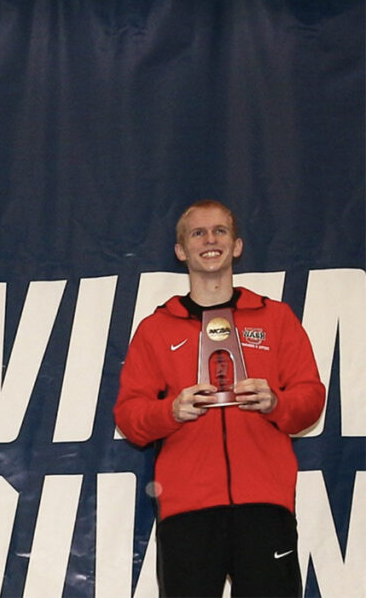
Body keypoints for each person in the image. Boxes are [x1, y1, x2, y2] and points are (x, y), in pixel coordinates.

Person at [114, 200, 325, 597]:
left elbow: (311, 398)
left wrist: (276, 403)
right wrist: (170, 411)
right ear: (181, 251)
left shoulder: (276, 318)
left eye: (220, 231)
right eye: (197, 233)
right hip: (187, 511)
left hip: (265, 505)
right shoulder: (156, 328)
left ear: (237, 245)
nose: (209, 240)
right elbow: (128, 416)